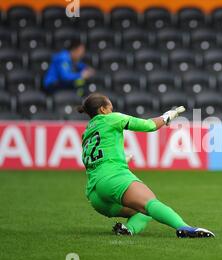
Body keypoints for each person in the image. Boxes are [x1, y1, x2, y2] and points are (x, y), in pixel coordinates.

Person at [77, 92, 214, 238]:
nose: (112, 110)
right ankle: (185, 228)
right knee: (150, 204)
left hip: (95, 195)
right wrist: (166, 117)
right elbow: (148, 125)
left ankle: (128, 229)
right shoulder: (111, 118)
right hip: (113, 178)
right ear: (103, 110)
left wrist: (122, 159)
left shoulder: (86, 133)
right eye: (110, 107)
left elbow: (96, 160)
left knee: (143, 211)